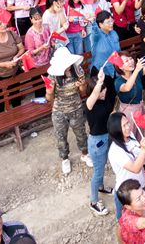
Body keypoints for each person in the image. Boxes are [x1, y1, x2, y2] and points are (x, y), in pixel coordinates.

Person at [45, 46, 91, 174]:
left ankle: (85, 154)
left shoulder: (78, 70)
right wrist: (49, 93)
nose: (68, 67)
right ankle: (65, 158)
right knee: (61, 137)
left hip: (76, 108)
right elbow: (49, 98)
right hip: (59, 111)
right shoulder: (53, 76)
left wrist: (82, 85)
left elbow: (82, 92)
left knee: (81, 133)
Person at [84, 69, 116, 216]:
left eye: (105, 89)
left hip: (106, 136)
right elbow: (95, 94)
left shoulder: (106, 99)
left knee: (102, 167)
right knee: (98, 172)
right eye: (101, 90)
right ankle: (93, 201)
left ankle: (101, 187)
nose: (104, 92)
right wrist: (100, 83)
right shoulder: (90, 105)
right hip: (96, 142)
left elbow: (110, 111)